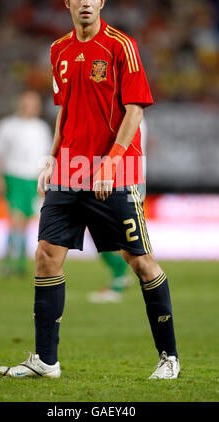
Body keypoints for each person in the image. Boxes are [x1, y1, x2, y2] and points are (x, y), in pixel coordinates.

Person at [0, 0, 180, 379]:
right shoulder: (58, 50)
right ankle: (46, 361)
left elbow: (134, 110)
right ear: (67, 2)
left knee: (141, 263)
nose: (85, 2)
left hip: (114, 173)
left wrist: (111, 162)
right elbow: (65, 109)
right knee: (46, 258)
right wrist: (52, 157)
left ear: (102, 2)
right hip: (68, 171)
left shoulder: (121, 46)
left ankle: (169, 357)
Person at [0, 90, 53, 276]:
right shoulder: (7, 126)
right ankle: (10, 262)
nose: (31, 107)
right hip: (14, 176)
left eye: (34, 103)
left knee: (24, 222)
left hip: (33, 179)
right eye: (28, 103)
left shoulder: (41, 128)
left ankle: (17, 263)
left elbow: (48, 156)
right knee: (16, 219)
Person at [88, 118, 147, 303]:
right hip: (114, 178)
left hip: (124, 180)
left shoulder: (129, 116)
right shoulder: (126, 114)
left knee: (118, 235)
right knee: (103, 233)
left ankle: (119, 281)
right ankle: (120, 276)